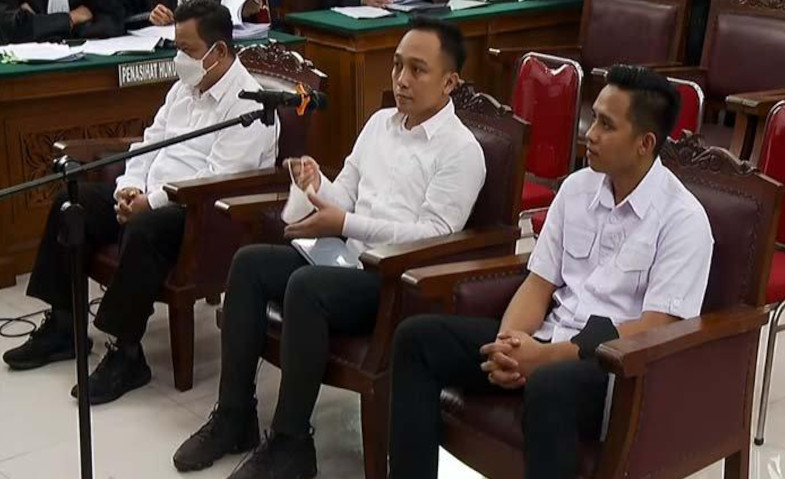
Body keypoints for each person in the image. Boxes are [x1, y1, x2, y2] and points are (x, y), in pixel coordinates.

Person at [173, 16, 485, 479]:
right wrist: (316, 186)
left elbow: (435, 235)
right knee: (250, 263)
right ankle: (234, 415)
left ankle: (291, 442)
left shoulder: (461, 150)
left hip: (396, 283)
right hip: (346, 259)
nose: (401, 79)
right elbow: (346, 197)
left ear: (450, 82)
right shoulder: (379, 124)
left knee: (306, 286)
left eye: (417, 70)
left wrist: (345, 223)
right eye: (397, 65)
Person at [387, 64, 715, 479]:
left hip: (614, 370)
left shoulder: (683, 220)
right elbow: (538, 283)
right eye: (594, 117)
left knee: (549, 385)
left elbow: (655, 327)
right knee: (416, 338)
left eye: (607, 125)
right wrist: (510, 346)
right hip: (545, 339)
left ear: (644, 143)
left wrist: (543, 359)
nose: (590, 133)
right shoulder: (577, 189)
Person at [2, 0, 279, 406]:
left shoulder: (249, 106)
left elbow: (217, 178)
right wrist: (127, 188)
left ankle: (127, 354)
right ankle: (63, 326)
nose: (178, 59)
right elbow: (149, 144)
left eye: (186, 50)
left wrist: (150, 203)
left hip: (201, 214)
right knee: (71, 202)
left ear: (218, 51)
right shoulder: (183, 89)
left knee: (145, 227)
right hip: (150, 196)